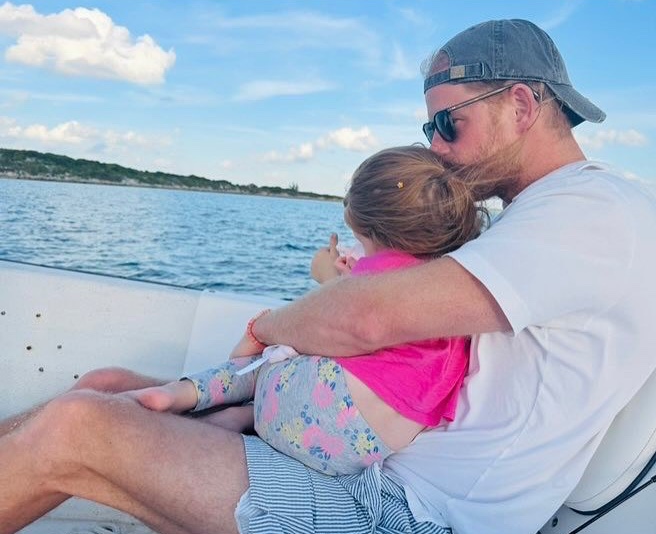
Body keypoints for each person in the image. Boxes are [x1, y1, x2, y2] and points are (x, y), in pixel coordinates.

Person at [0, 18, 656, 534]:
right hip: (361, 463)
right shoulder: (532, 219)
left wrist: (267, 327)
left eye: (448, 123)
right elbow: (384, 306)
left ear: (521, 105)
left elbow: (367, 317)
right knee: (105, 387)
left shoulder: (593, 211)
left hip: (405, 513)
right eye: (428, 127)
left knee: (79, 427)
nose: (435, 147)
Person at [124, 145, 486, 476]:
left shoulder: (378, 283)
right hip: (358, 449)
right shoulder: (448, 287)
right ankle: (241, 416)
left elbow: (337, 319)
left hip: (305, 406)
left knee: (278, 351)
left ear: (359, 219)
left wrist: (328, 274)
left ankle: (183, 394)